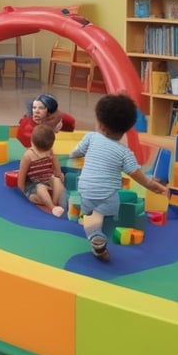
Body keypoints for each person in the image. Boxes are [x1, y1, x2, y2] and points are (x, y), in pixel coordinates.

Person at [69, 93, 166, 262]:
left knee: (90, 213)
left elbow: (75, 152)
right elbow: (137, 174)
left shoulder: (90, 137)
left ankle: (94, 232)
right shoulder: (124, 152)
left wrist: (73, 156)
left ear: (99, 123)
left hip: (85, 190)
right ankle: (98, 226)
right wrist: (152, 186)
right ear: (126, 129)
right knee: (107, 206)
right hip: (108, 198)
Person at [17, 124, 66, 217]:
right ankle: (52, 207)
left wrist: (59, 177)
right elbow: (21, 178)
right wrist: (22, 195)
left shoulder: (50, 152)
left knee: (56, 180)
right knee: (40, 188)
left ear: (32, 141)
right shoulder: (28, 156)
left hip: (48, 182)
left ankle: (54, 203)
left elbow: (57, 173)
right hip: (35, 186)